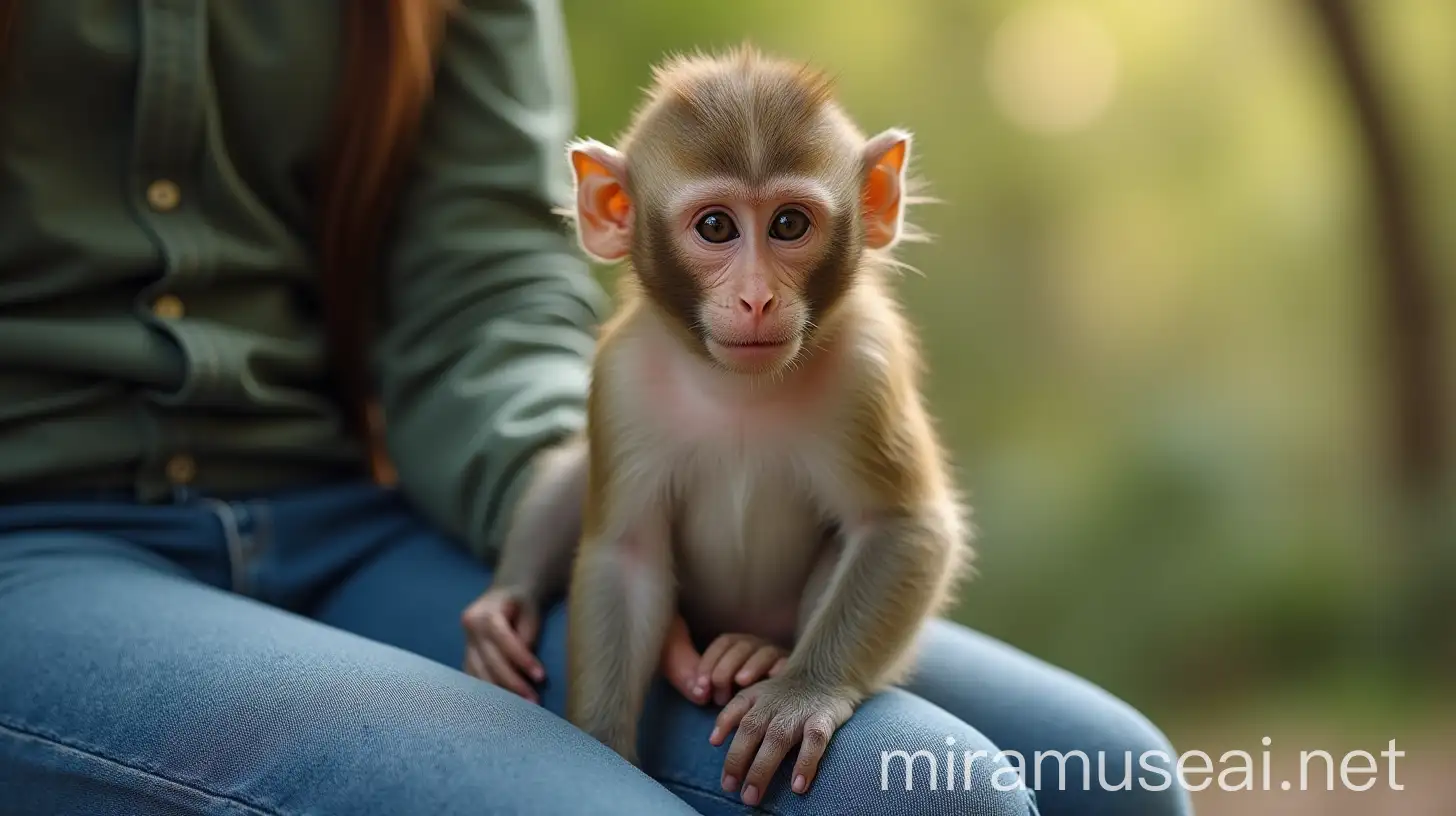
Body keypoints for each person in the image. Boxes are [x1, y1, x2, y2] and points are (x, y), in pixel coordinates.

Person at [0, 2, 1193, 814]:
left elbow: (482, 280)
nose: (754, 286)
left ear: (868, 205)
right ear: (621, 216)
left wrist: (589, 524)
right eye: (717, 229)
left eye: (790, 227)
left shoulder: (823, 356)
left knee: (1087, 779)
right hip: (37, 540)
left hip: (358, 505)